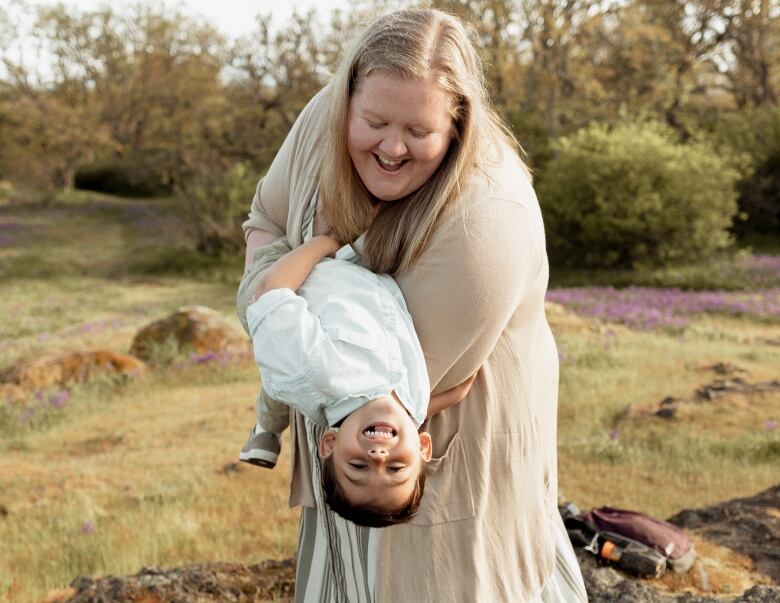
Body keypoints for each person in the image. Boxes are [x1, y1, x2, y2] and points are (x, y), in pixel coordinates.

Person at [238, 8, 589, 602]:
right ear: (347, 98)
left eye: (420, 132)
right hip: (358, 470)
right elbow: (264, 221)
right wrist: (271, 306)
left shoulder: (486, 221)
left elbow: (383, 403)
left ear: (458, 125)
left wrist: (279, 298)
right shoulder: (322, 121)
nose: (393, 147)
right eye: (374, 120)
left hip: (453, 476)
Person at [236, 233, 477, 526]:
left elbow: (270, 291)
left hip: (283, 272)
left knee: (264, 222)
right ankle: (267, 427)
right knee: (280, 379)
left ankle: (266, 428)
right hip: (345, 271)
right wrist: (463, 384)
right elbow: (440, 401)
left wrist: (327, 241)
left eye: (358, 466)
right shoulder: (412, 404)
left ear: (330, 443)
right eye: (396, 467)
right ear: (423, 447)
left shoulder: (320, 371)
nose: (377, 457)